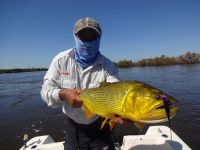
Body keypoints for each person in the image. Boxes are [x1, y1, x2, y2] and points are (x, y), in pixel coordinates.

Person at [41, 17, 120, 150]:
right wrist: (63, 94)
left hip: (99, 123)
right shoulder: (60, 61)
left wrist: (122, 113)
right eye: (83, 35)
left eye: (92, 36)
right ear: (75, 37)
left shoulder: (108, 66)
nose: (87, 41)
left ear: (99, 38)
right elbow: (45, 91)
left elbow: (117, 93)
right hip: (72, 126)